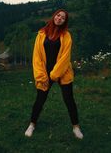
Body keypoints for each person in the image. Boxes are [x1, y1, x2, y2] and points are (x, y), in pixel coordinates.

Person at [24, 9, 83, 139]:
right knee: (40, 99)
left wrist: (54, 75)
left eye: (63, 17)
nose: (59, 18)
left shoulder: (66, 36)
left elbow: (65, 58)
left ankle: (76, 127)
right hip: (45, 73)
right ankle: (32, 124)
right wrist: (41, 76)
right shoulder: (41, 34)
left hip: (62, 72)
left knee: (69, 100)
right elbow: (37, 57)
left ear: (64, 21)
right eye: (58, 15)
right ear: (54, 16)